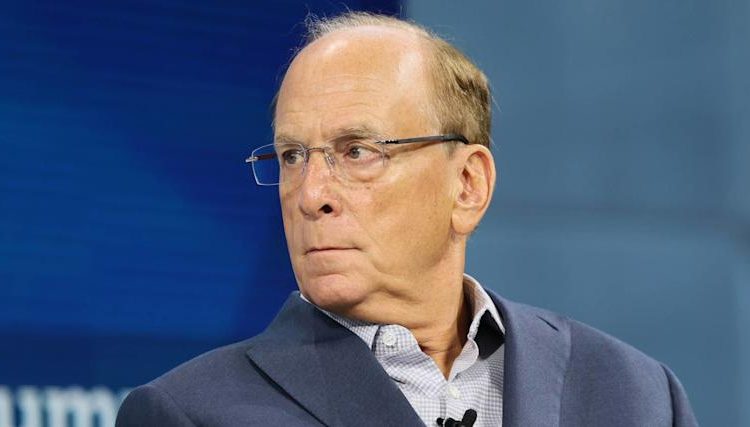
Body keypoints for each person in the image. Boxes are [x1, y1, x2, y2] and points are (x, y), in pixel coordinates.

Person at [116, 12, 698, 427]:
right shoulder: (189, 414)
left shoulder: (637, 394)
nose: (311, 195)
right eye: (292, 156)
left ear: (467, 185)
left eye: (357, 152)